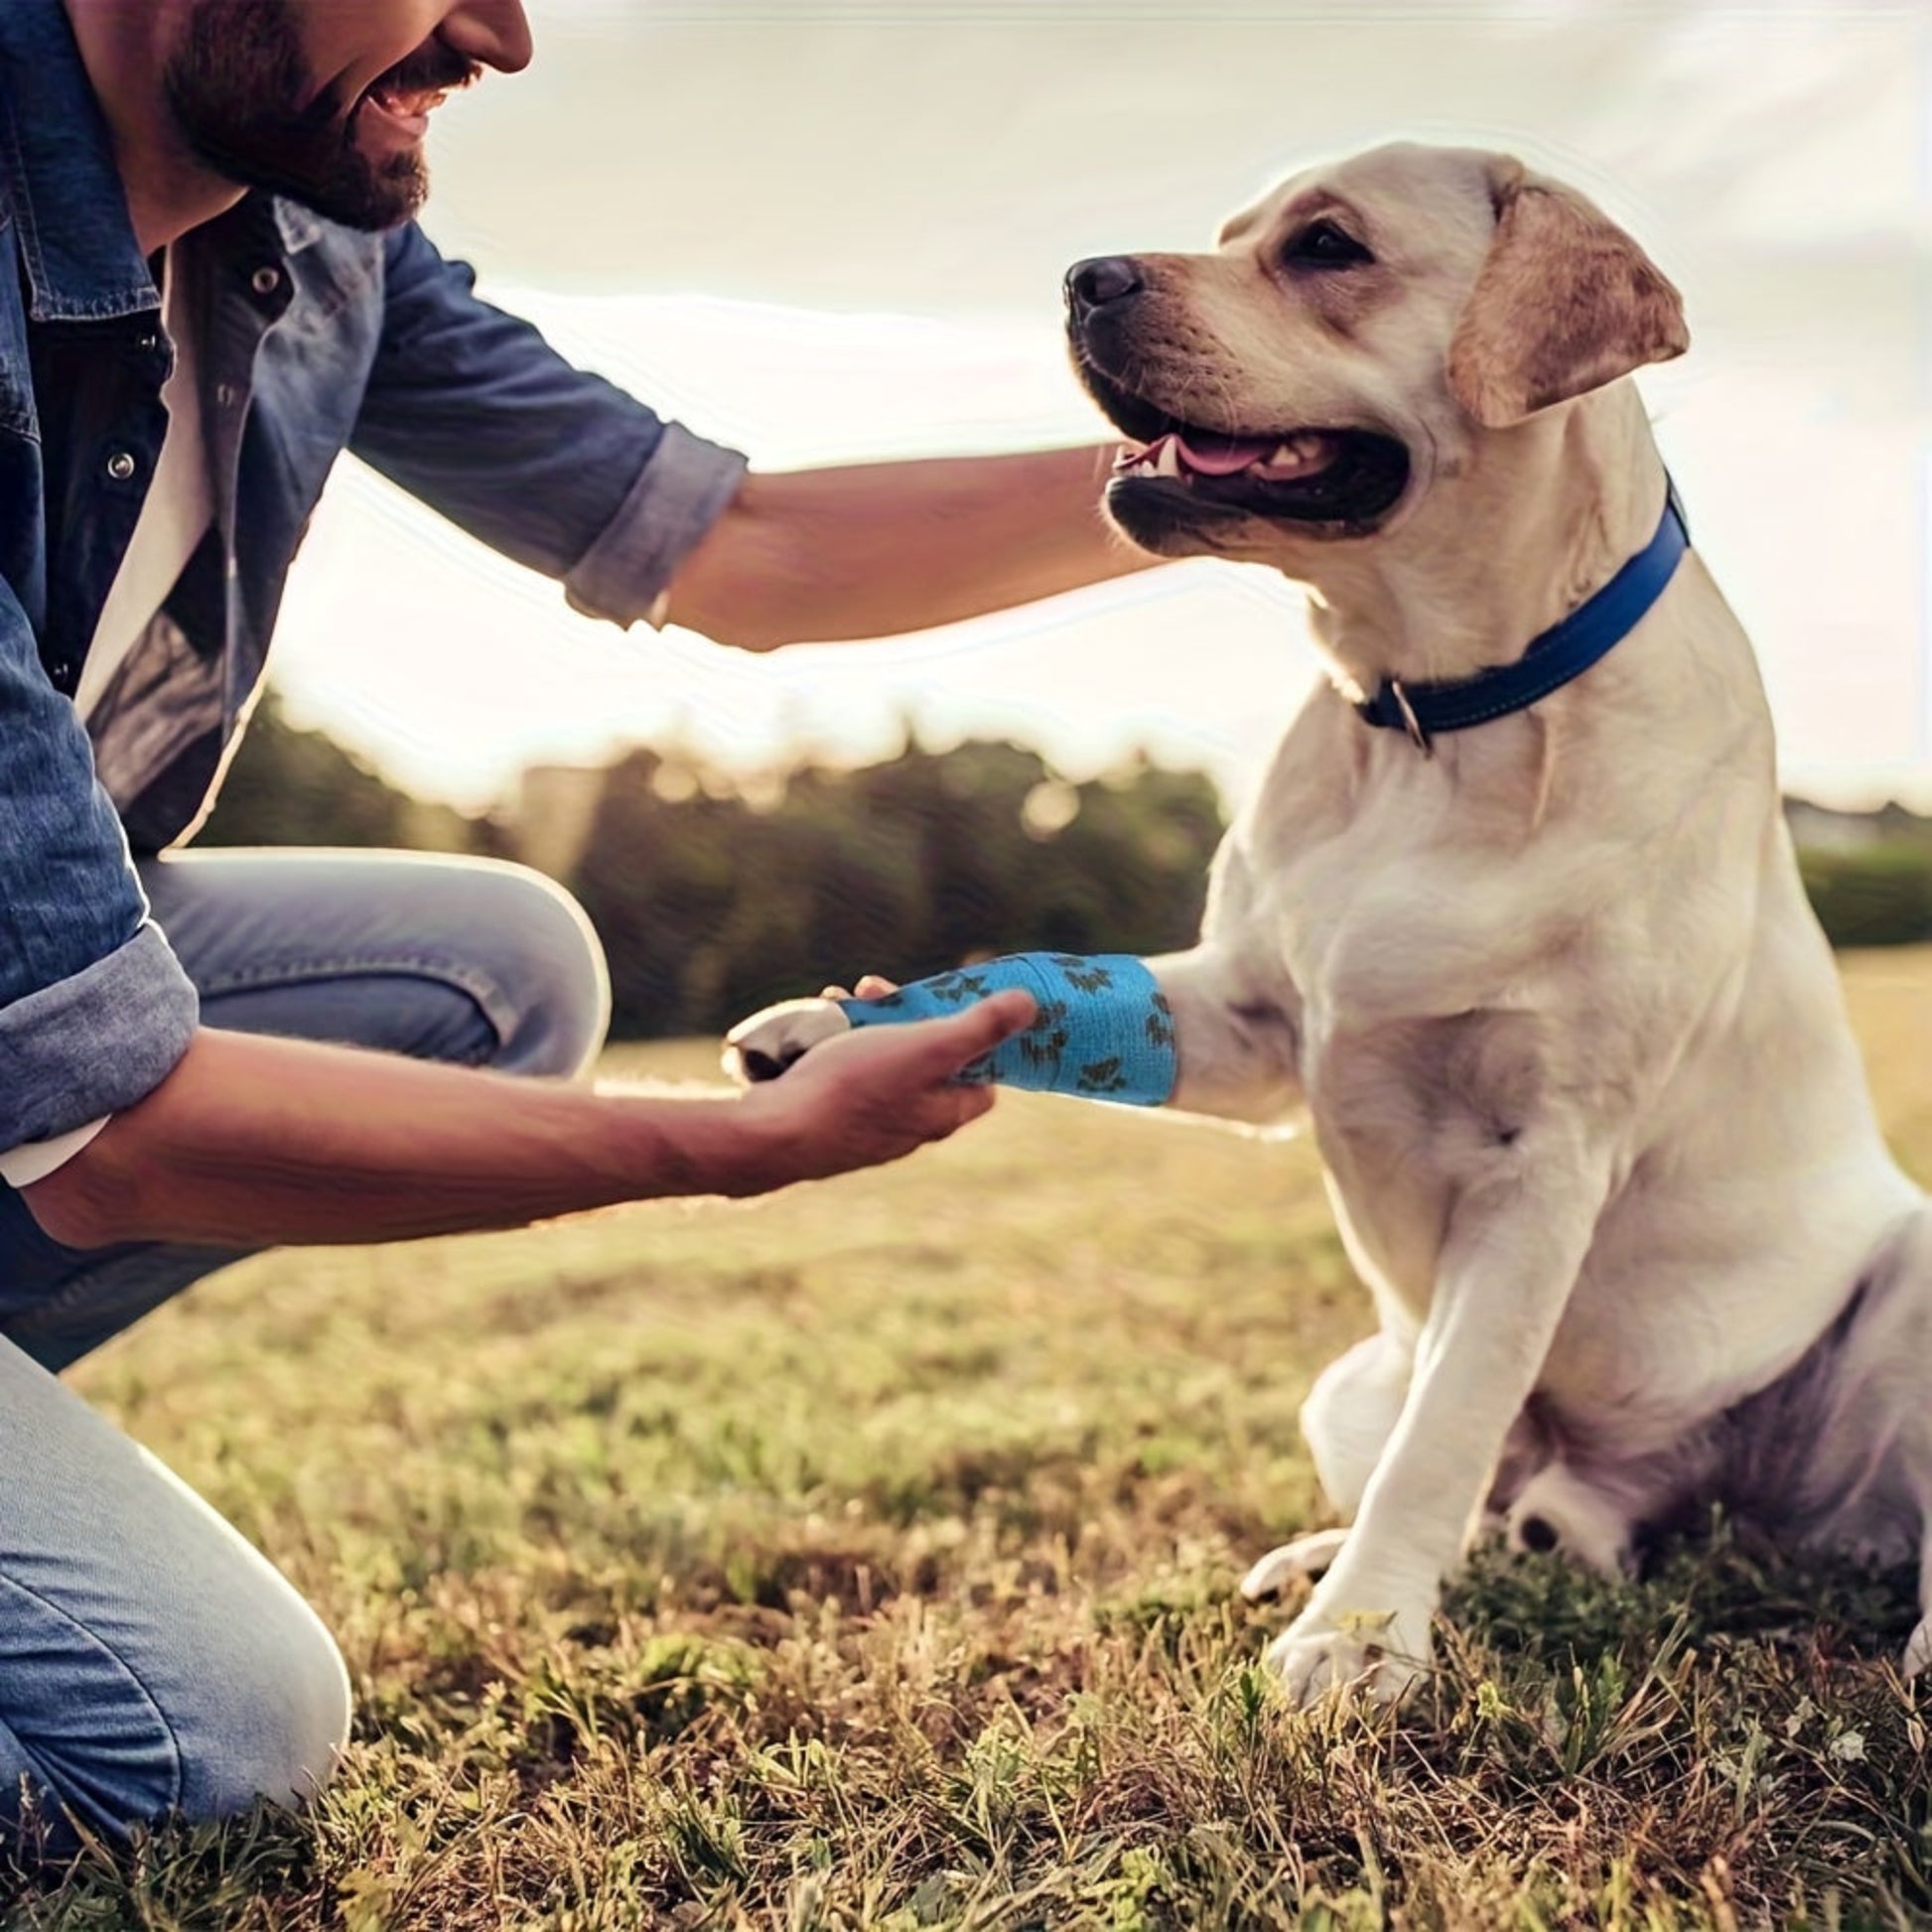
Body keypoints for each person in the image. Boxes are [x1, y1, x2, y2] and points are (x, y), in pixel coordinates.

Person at [0, 0, 1151, 1848]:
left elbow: (738, 547)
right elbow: (112, 1125)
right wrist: (723, 1146)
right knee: (200, 1735)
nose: (506, 36)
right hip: (63, 1089)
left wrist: (1216, 486)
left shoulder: (301, 226)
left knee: (495, 971)